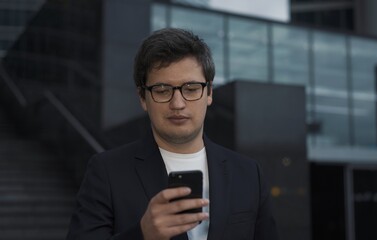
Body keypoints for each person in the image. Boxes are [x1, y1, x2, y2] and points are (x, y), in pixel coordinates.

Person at [66, 28, 279, 240]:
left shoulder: (248, 173)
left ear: (209, 93)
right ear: (142, 97)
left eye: (191, 88)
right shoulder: (106, 172)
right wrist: (143, 234)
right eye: (162, 90)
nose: (177, 103)